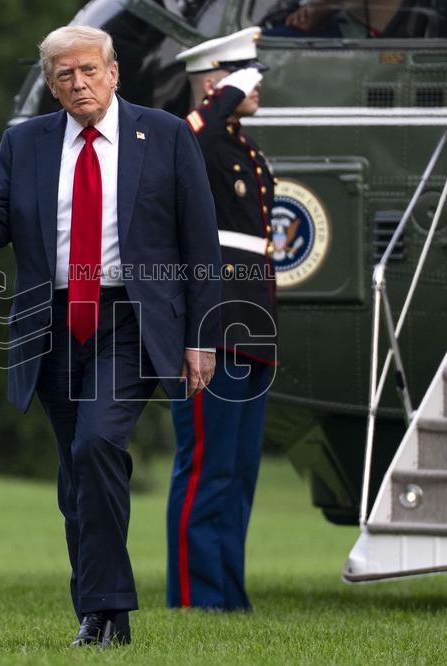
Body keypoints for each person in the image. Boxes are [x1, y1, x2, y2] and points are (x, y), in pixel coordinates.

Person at [0, 26, 222, 648]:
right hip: (50, 326)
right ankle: (101, 615)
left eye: (88, 70)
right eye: (64, 76)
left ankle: (108, 611)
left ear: (113, 72)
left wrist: (202, 338)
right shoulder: (24, 143)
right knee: (77, 476)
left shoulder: (163, 136)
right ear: (52, 87)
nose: (78, 84)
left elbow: (200, 243)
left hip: (130, 322)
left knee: (97, 446)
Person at [167, 27, 278, 612]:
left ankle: (227, 596)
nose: (257, 85)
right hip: (213, 325)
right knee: (207, 466)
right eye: (245, 75)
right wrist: (223, 95)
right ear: (216, 83)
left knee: (237, 472)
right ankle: (193, 597)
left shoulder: (240, 147)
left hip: (251, 321)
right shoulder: (197, 137)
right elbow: (193, 131)